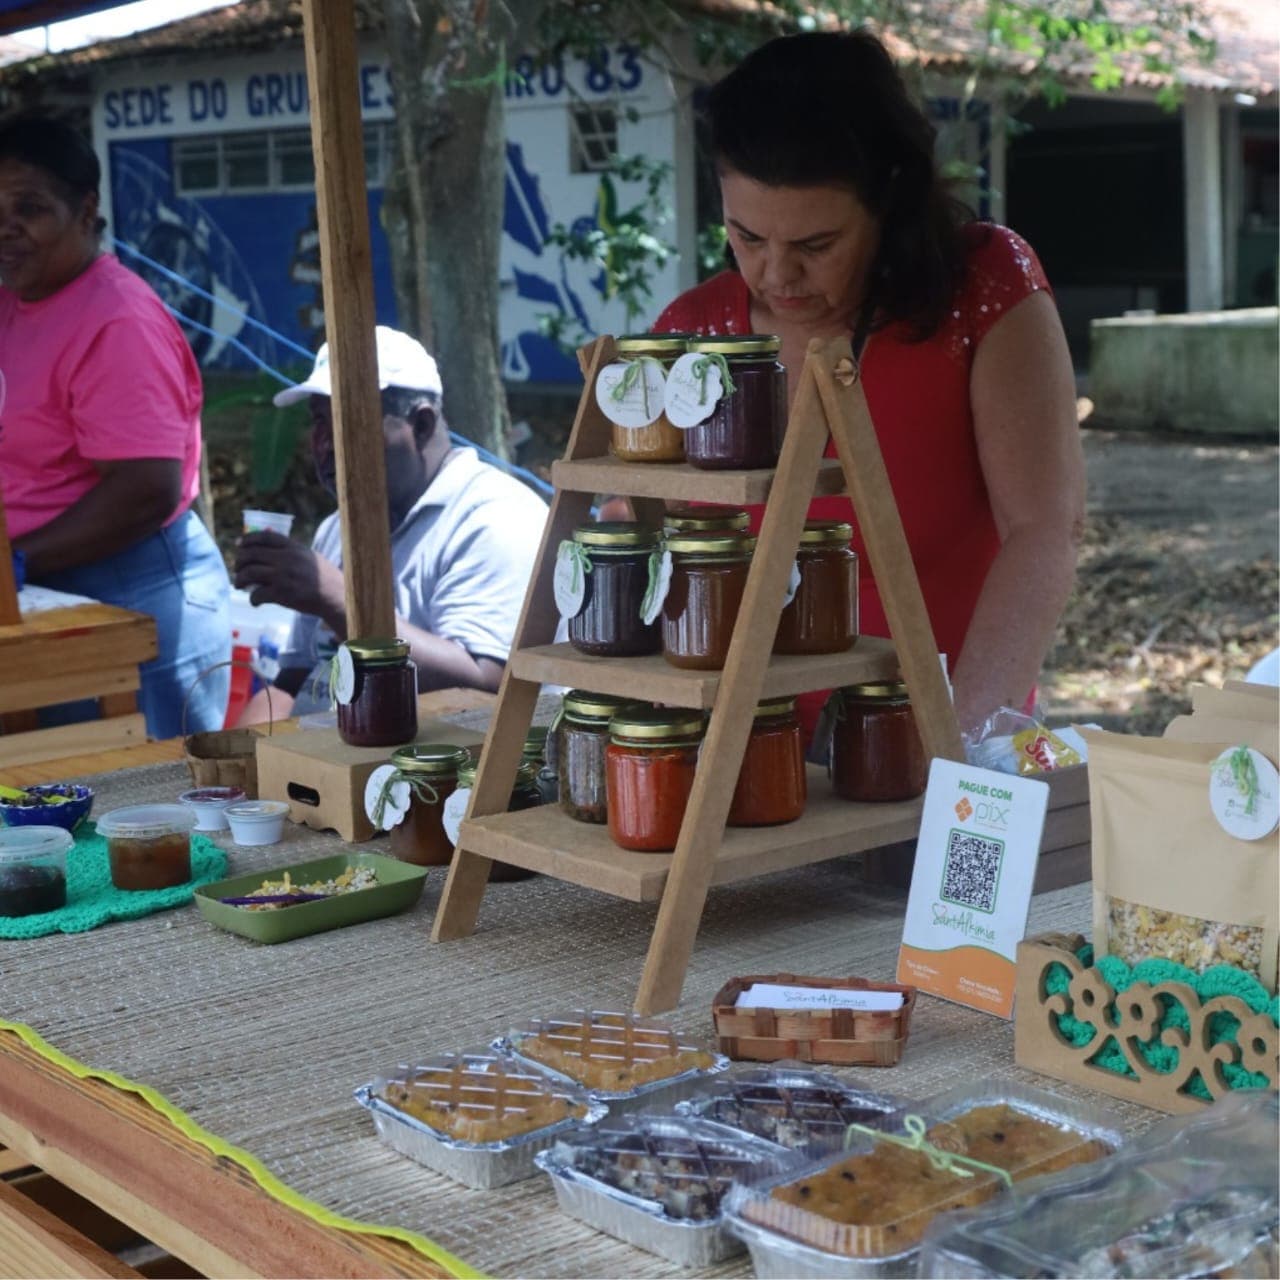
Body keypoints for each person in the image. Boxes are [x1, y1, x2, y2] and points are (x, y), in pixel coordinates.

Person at [653, 31, 1085, 741]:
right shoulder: (690, 333)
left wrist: (964, 747)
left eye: (816, 246)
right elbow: (643, 547)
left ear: (889, 200)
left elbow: (1045, 529)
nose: (776, 275)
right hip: (742, 760)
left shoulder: (980, 286)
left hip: (931, 736)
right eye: (748, 237)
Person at [0, 114, 230, 737]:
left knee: (148, 811)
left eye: (29, 207)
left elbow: (145, 487)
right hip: (43, 595)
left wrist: (15, 563)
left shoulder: (116, 319)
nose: (6, 227)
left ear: (86, 209)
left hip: (136, 596)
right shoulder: (14, 299)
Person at [233, 327, 547, 721]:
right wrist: (237, 762)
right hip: (344, 759)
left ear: (421, 425)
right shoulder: (338, 529)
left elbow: (484, 682)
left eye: (348, 421)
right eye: (318, 421)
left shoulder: (494, 517)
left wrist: (341, 601)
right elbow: (295, 682)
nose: (326, 443)